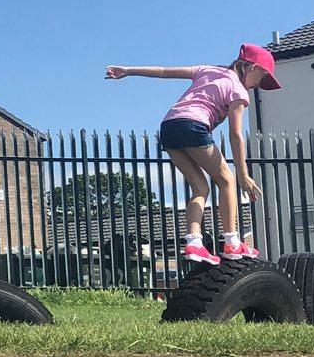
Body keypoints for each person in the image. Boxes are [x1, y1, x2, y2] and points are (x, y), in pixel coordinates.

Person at [105, 44, 280, 266]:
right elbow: (236, 134)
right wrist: (243, 175)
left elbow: (164, 72)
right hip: (193, 126)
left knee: (201, 188)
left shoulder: (206, 70)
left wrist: (128, 70)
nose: (259, 86)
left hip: (168, 128)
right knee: (227, 180)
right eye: (262, 78)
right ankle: (232, 242)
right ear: (251, 67)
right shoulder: (239, 91)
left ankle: (194, 243)